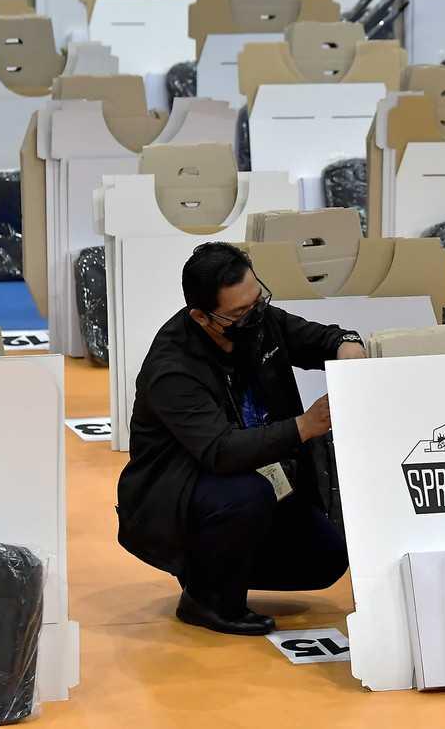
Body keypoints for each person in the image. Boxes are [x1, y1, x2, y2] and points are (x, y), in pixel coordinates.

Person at [117, 242, 366, 635]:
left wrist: (346, 345)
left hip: (258, 478)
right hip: (175, 495)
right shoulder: (173, 369)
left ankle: (213, 566)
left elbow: (316, 338)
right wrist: (305, 425)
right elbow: (221, 451)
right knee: (246, 493)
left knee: (327, 558)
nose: (254, 314)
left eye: (258, 299)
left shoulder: (258, 319)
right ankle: (208, 599)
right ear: (201, 316)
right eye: (239, 313)